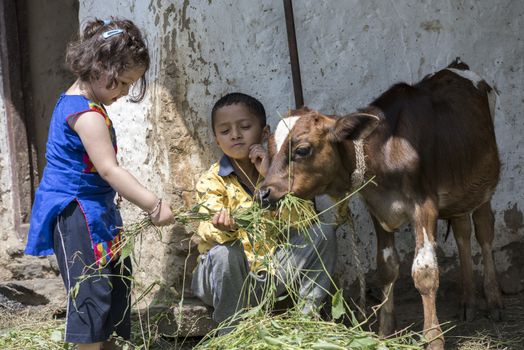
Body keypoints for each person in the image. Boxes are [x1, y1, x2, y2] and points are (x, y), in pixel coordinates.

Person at [24, 18, 174, 350]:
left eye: (129, 85)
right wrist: (154, 204)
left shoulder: (89, 105)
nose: (122, 93)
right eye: (121, 83)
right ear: (99, 65)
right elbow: (109, 169)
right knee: (91, 293)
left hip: (97, 211)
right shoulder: (86, 115)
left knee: (113, 283)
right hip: (76, 213)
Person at [191, 92, 337, 332]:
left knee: (322, 232)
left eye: (245, 127)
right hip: (226, 279)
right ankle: (231, 332)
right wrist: (223, 226)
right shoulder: (211, 180)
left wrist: (269, 174)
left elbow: (304, 222)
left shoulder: (280, 175)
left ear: (264, 132)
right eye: (225, 131)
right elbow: (206, 226)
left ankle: (307, 322)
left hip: (270, 275)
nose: (235, 135)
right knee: (224, 254)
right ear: (217, 140)